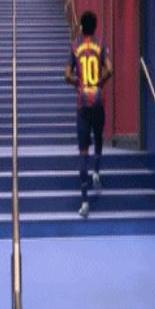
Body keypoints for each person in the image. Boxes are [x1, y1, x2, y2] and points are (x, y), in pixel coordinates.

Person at [64, 11, 113, 217]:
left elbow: (66, 74)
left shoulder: (75, 46)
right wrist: (99, 83)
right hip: (98, 99)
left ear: (82, 27)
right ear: (95, 26)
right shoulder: (100, 45)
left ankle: (84, 202)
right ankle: (97, 172)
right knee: (99, 137)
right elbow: (110, 69)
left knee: (83, 151)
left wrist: (78, 83)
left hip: (83, 103)